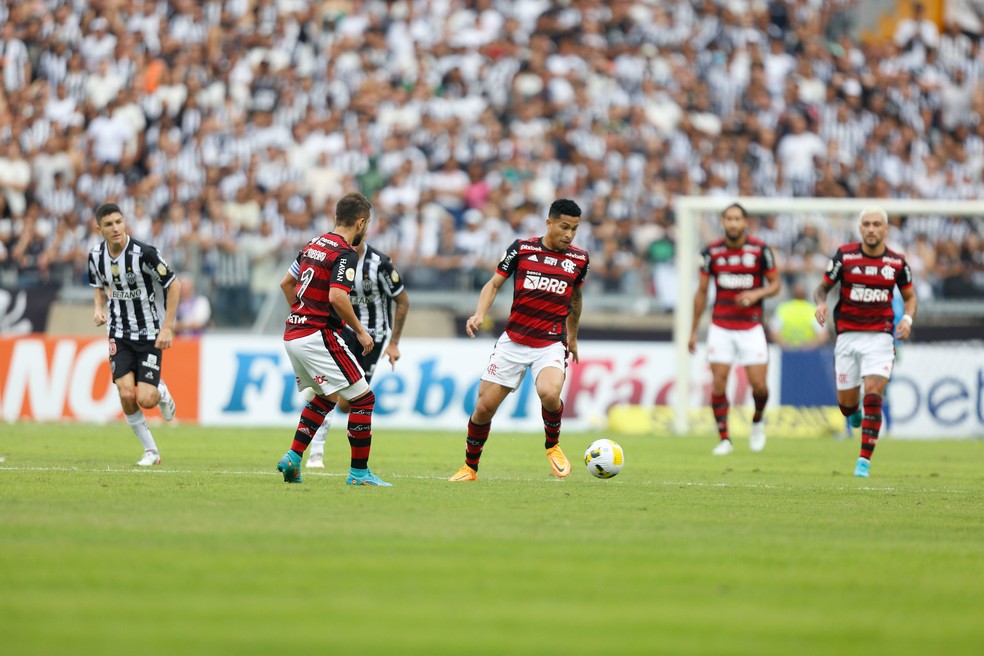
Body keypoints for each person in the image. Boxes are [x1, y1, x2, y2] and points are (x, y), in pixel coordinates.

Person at [449, 198, 589, 482]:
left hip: (550, 342)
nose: (569, 234)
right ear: (549, 222)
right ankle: (470, 467)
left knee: (550, 393)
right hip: (514, 340)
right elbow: (494, 283)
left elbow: (575, 298)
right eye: (564, 227)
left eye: (574, 229)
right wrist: (479, 314)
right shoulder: (522, 249)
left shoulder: (579, 259)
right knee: (484, 408)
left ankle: (553, 446)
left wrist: (572, 338)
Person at [275, 192, 391, 486]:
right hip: (316, 334)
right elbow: (337, 296)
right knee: (364, 399)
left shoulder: (314, 243)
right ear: (361, 222)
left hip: (293, 333)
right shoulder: (345, 252)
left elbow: (286, 282)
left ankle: (292, 457)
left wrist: (302, 312)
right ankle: (359, 473)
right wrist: (362, 332)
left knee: (326, 397)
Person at [814, 206, 918, 478]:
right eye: (866, 224)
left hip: (881, 337)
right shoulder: (845, 256)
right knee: (847, 406)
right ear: (860, 228)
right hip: (847, 337)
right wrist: (821, 303)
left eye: (876, 224)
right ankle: (854, 411)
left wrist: (907, 318)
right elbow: (822, 287)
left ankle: (864, 460)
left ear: (885, 229)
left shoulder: (896, 262)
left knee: (874, 392)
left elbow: (910, 297)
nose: (871, 229)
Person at [301, 240, 410, 469]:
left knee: (347, 403)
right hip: (341, 332)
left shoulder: (380, 264)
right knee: (329, 392)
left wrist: (394, 343)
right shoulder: (335, 258)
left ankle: (320, 390)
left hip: (374, 337)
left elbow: (402, 301)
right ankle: (316, 454)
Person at [88, 202, 180, 466]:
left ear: (124, 222)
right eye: (109, 224)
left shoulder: (145, 253)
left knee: (146, 399)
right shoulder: (95, 256)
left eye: (118, 221)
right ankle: (151, 451)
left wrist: (168, 327)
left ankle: (160, 392)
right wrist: (98, 308)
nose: (115, 228)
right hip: (118, 333)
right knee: (126, 395)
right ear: (99, 228)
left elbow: (174, 284)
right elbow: (98, 285)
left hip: (150, 333)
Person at [689, 203, 781, 455]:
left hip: (751, 326)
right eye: (728, 218)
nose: (732, 223)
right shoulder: (711, 252)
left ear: (745, 222)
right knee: (718, 383)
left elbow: (775, 285)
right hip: (721, 325)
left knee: (759, 386)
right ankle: (725, 439)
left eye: (737, 218)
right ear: (723, 222)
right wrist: (693, 330)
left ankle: (758, 421)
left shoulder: (760, 250)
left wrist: (756, 293)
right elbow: (701, 291)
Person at [769, 278, 829, 350]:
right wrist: (810, 345)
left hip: (787, 351)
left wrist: (785, 344)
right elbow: (823, 335)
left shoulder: (783, 308)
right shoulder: (813, 309)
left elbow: (773, 331)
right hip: (808, 353)